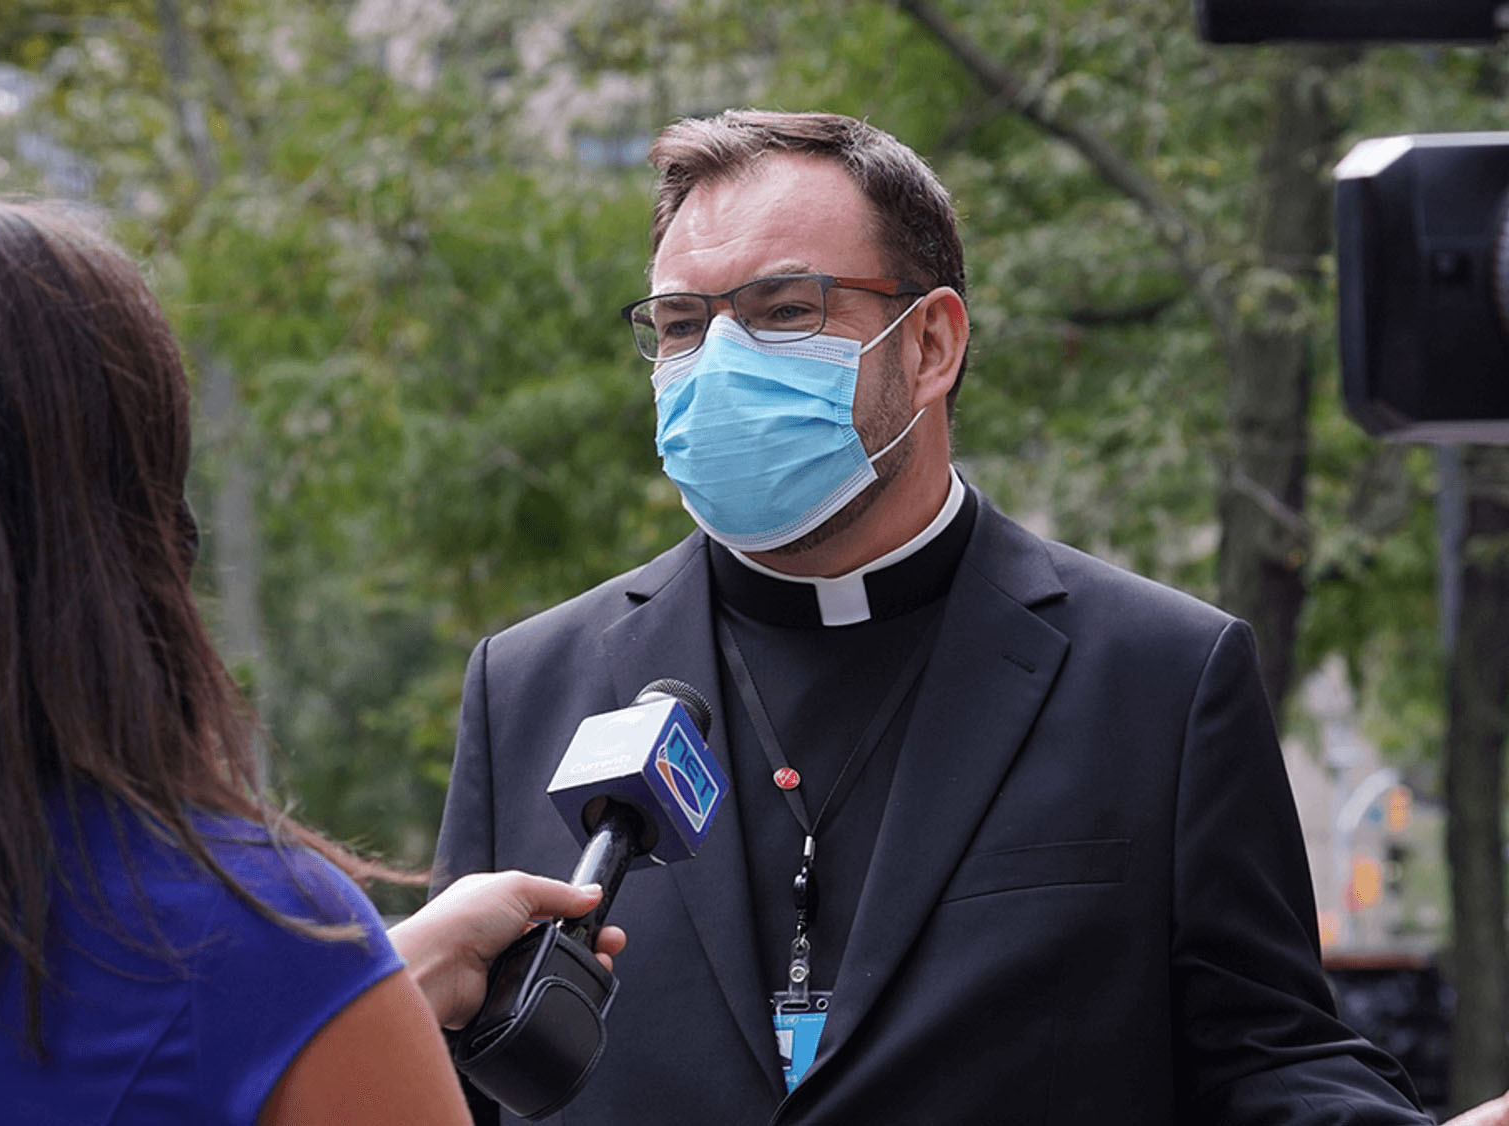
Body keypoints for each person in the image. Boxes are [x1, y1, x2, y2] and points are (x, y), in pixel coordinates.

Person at [431, 109, 1509, 1125]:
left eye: (782, 310)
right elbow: (439, 1083)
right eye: (678, 324)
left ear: (930, 344)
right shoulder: (529, 682)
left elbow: (1268, 1059)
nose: (715, 365)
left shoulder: (1159, 677)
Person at [0, 196, 620, 1125]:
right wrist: (341, 989)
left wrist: (364, 993)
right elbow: (186, 1017)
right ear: (129, 522)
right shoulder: (257, 931)